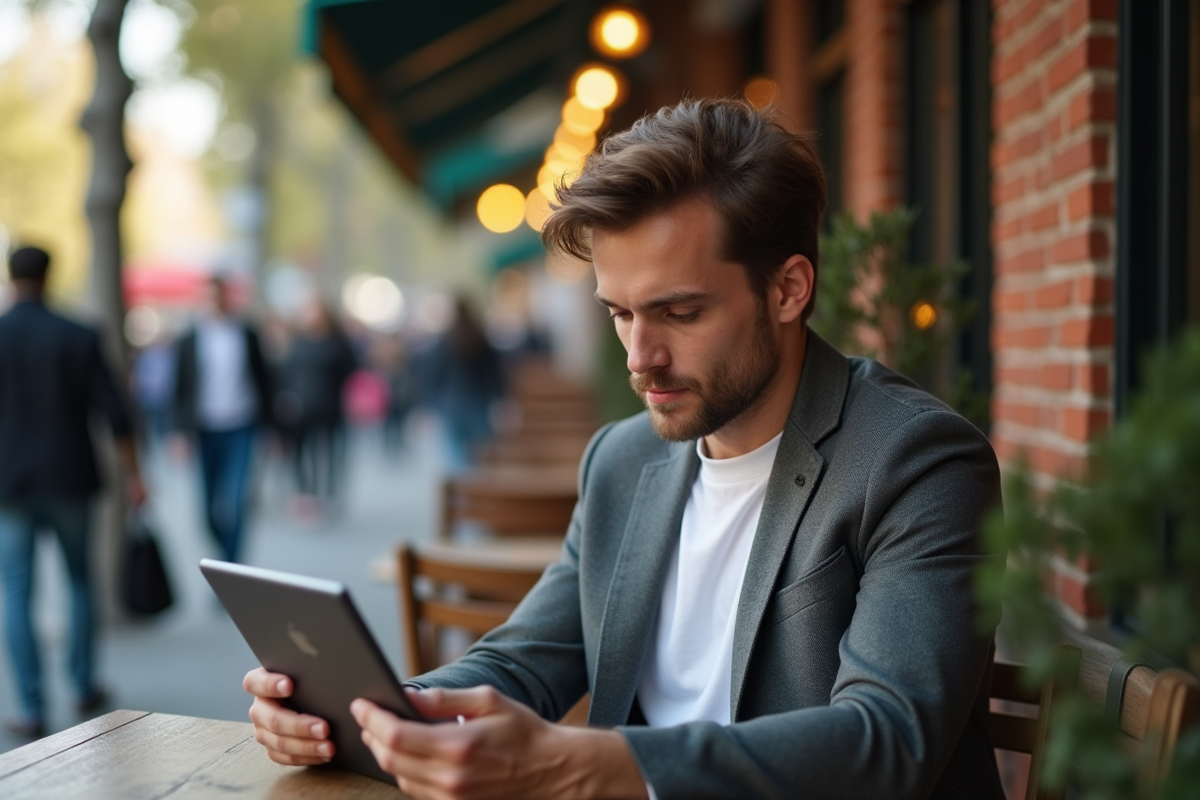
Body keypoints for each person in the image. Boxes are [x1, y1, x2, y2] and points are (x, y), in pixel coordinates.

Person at [244, 99, 1005, 799]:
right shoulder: (623, 460)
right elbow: (521, 661)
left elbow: (888, 743)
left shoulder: (919, 463)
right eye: (619, 314)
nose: (641, 356)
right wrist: (371, 715)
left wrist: (590, 765)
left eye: (678, 312)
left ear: (788, 289)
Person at [0, 246, 147, 739]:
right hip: (69, 478)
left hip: (9, 484)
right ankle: (83, 683)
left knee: (17, 592)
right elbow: (115, 411)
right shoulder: (78, 334)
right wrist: (135, 474)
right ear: (49, 275)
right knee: (80, 580)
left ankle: (30, 704)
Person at [172, 274, 272, 563]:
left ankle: (232, 568)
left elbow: (264, 380)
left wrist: (273, 428)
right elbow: (180, 388)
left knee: (238, 503)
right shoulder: (189, 339)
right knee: (206, 512)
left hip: (241, 427)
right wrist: (178, 432)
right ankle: (225, 559)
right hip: (203, 430)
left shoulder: (246, 334)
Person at [275, 298, 357, 517]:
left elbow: (350, 370)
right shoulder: (298, 342)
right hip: (300, 407)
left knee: (327, 453)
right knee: (300, 452)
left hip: (328, 406)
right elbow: (286, 373)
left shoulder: (337, 343)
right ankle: (305, 493)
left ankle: (327, 494)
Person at [422, 297, 506, 471]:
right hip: (479, 403)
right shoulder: (480, 338)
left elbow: (433, 374)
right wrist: (500, 399)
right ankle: (479, 491)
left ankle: (462, 494)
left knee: (454, 458)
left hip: (451, 405)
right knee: (481, 456)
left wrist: (429, 403)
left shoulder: (445, 340)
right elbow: (493, 374)